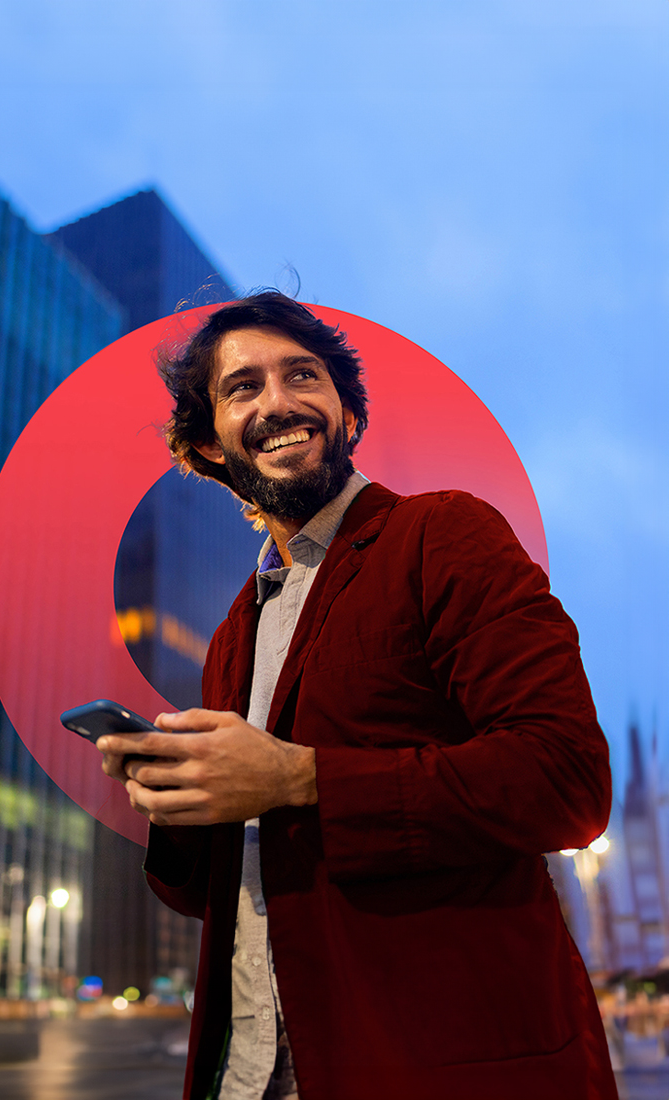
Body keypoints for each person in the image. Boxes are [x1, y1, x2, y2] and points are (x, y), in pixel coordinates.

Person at [98, 292, 617, 1100]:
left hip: (430, 1067)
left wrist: (299, 779)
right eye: (243, 388)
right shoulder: (236, 628)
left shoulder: (445, 533)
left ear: (346, 414)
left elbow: (567, 781)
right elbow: (216, 896)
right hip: (245, 1077)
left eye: (302, 375)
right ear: (206, 443)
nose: (279, 401)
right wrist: (179, 803)